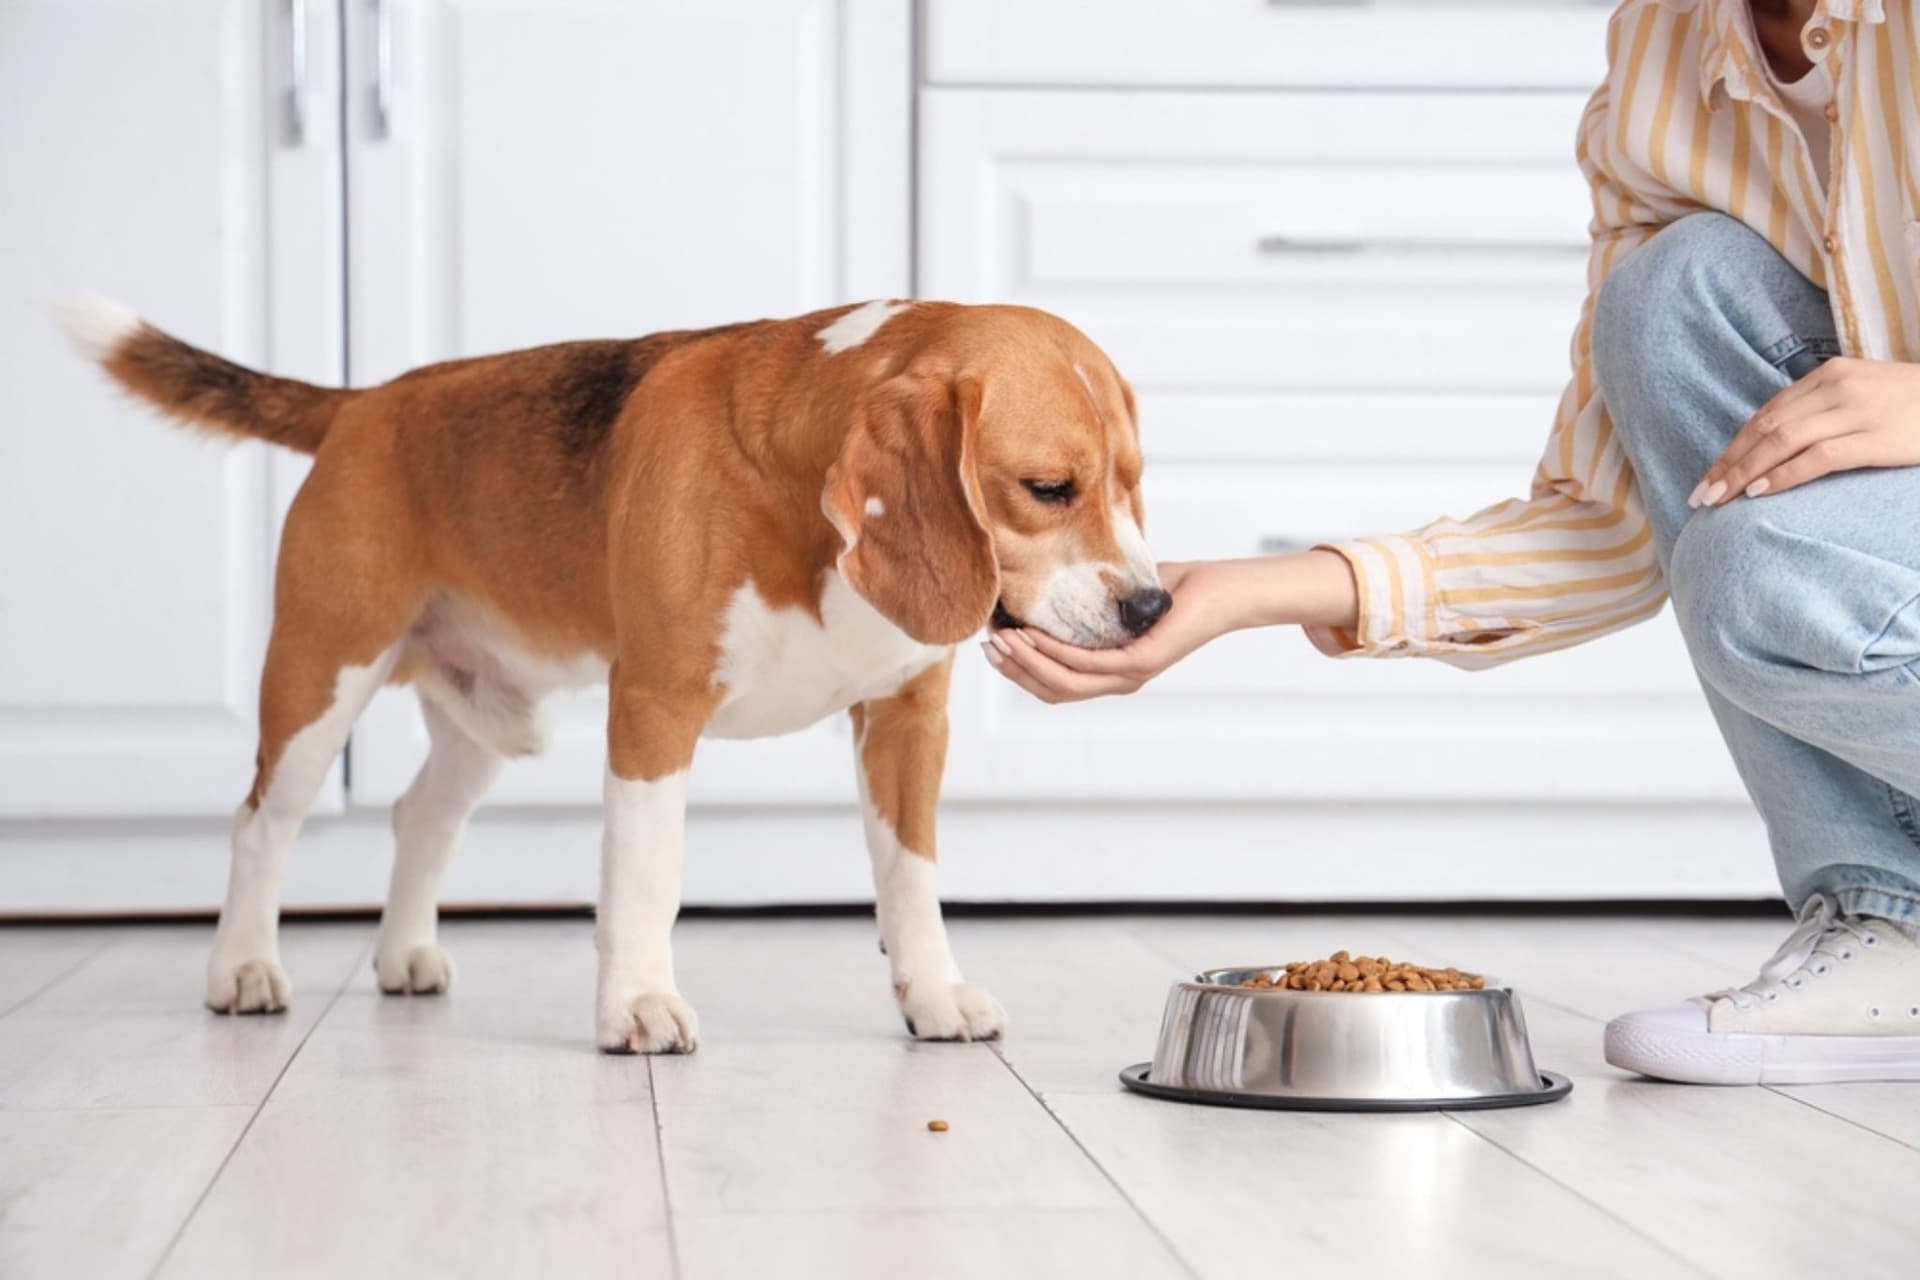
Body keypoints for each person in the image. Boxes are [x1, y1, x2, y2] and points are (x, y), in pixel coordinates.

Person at [984, 0, 1920, 1086]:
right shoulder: (1669, 46)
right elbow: (1616, 525)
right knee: (1673, 297)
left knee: (1760, 574)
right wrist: (1250, 592)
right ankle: (1891, 918)